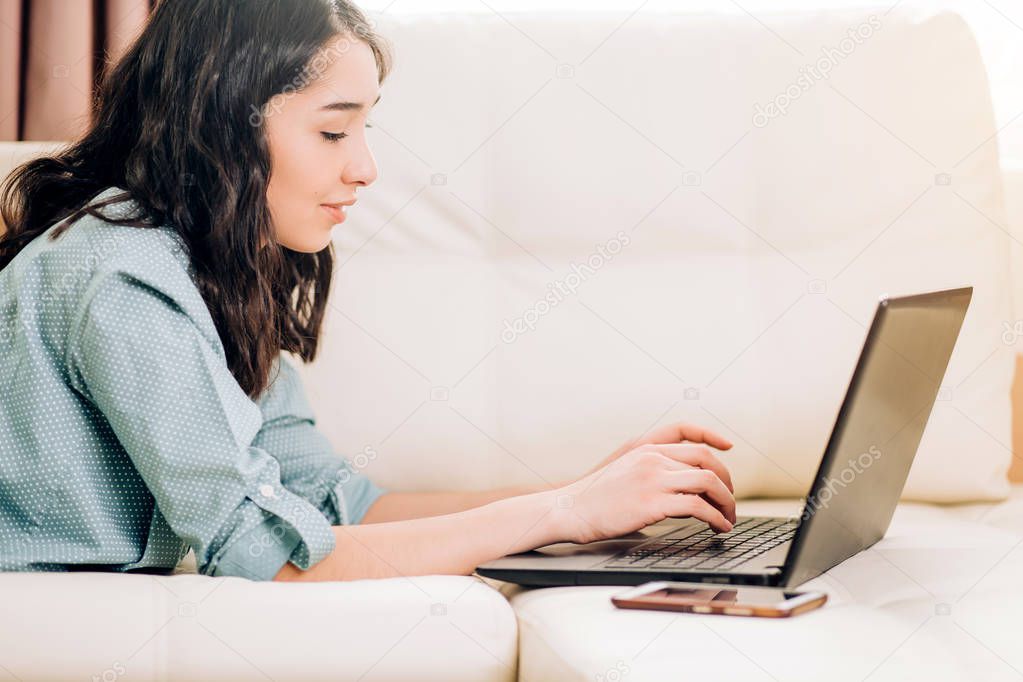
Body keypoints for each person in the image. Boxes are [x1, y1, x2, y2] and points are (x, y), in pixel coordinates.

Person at [0, 0, 736, 583]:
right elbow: (267, 556)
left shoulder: (212, 266)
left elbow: (337, 505)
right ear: (221, 127)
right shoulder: (122, 275)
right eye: (332, 133)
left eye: (365, 128)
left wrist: (586, 496)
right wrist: (562, 510)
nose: (365, 169)